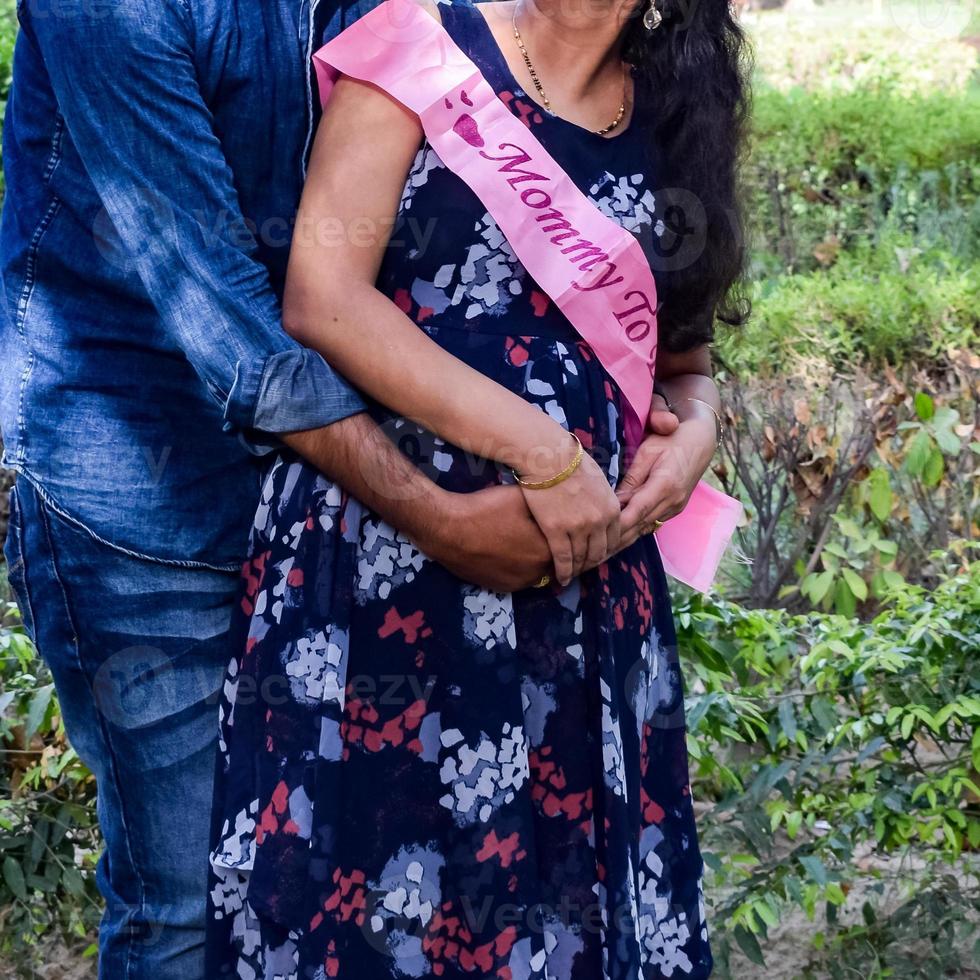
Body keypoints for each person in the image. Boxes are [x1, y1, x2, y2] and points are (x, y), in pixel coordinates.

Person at [0, 1, 577, 976]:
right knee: (186, 907)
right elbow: (237, 335)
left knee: (342, 886)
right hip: (146, 508)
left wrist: (663, 396)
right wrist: (440, 516)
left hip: (337, 506)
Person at [206, 0, 750, 977]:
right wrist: (541, 450)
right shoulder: (416, 42)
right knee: (373, 922)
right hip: (378, 582)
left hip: (581, 617)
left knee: (555, 930)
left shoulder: (673, 115)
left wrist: (695, 436)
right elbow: (321, 294)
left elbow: (685, 366)